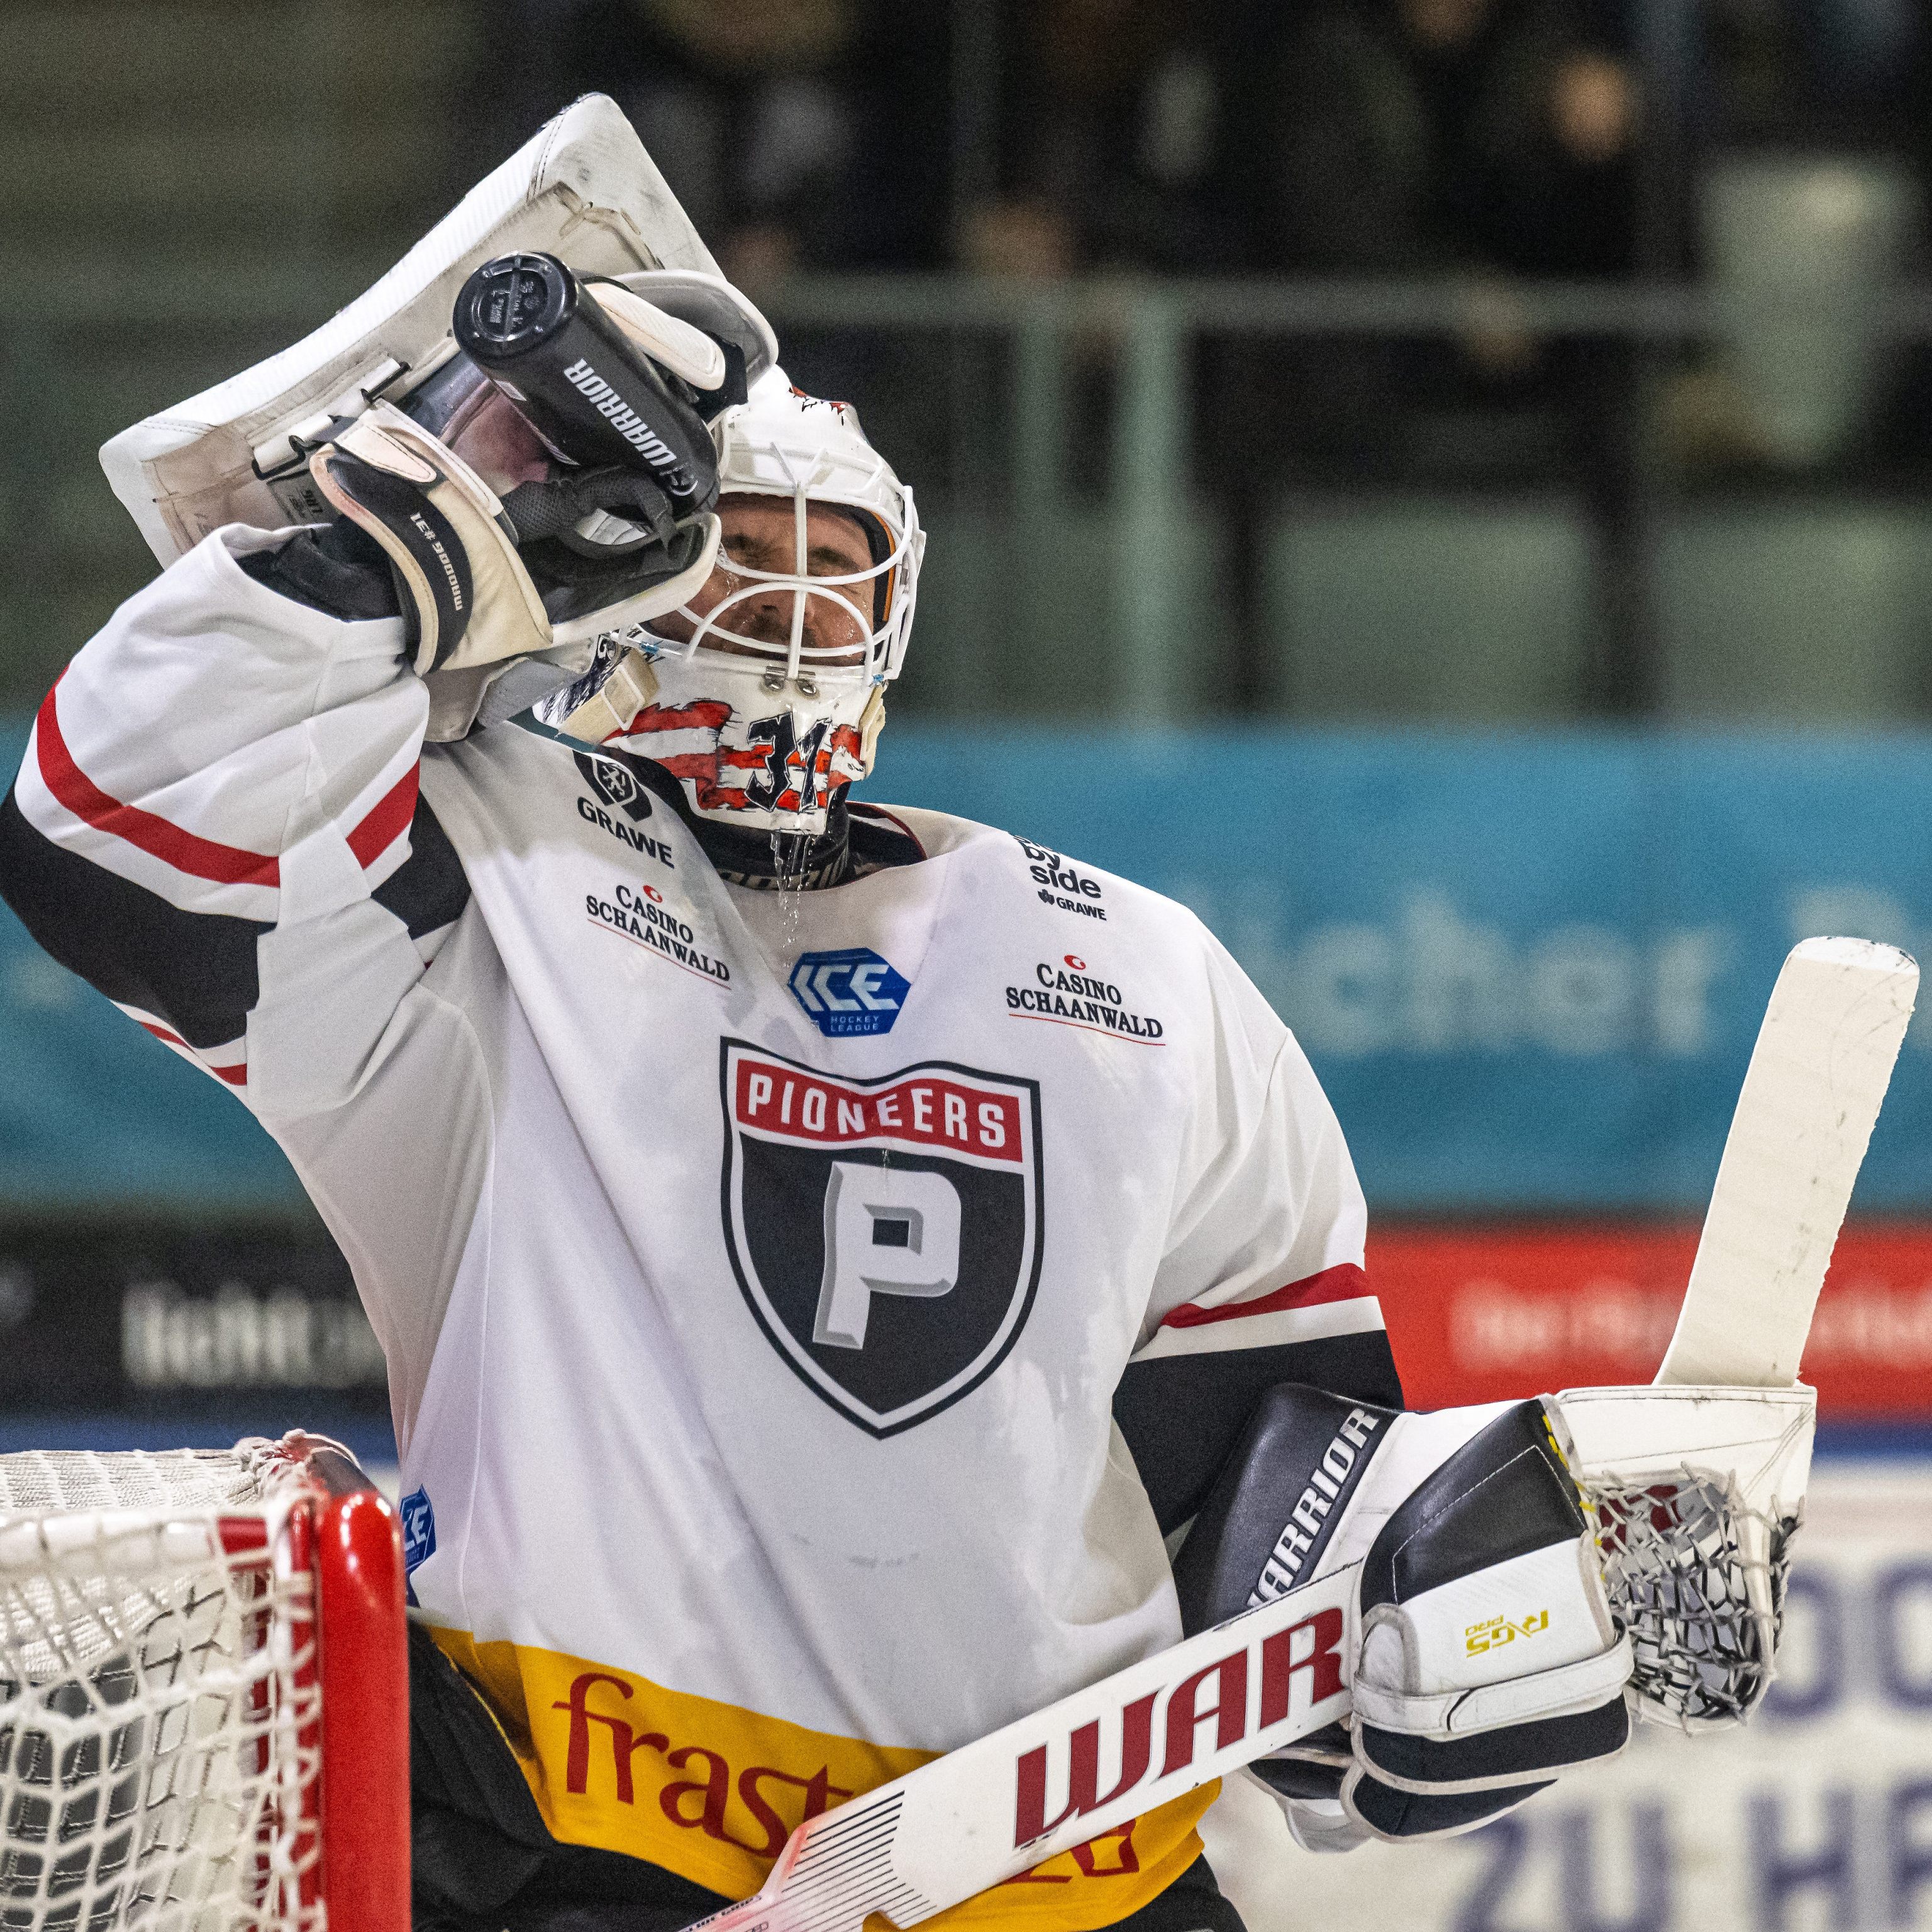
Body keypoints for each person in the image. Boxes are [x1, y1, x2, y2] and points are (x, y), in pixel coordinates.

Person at [0, 281, 1623, 1929]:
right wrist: (406, 545)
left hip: (1069, 1878)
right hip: (591, 1862)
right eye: (739, 553)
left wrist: (1444, 1607)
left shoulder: (1150, 974)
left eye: (830, 566)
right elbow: (116, 826)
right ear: (610, 578)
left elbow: (1272, 1470)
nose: (787, 610)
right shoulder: (476, 876)